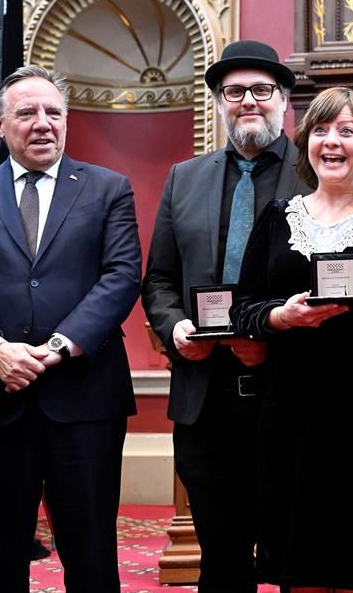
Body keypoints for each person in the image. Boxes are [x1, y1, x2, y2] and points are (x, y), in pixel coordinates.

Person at [0, 66, 142, 592]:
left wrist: (55, 348)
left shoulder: (107, 189)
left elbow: (121, 278)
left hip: (85, 398)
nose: (43, 123)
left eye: (54, 113)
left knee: (91, 554)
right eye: (27, 113)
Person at [230, 87, 353, 592]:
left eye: (347, 131)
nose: (331, 142)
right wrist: (281, 317)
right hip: (291, 408)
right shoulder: (277, 217)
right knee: (301, 561)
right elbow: (243, 308)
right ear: (305, 142)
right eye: (320, 130)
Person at [142, 40, 311, 592]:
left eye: (262, 91)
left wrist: (273, 338)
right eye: (234, 92)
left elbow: (339, 288)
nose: (248, 102)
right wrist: (174, 329)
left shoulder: (317, 175)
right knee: (221, 556)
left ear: (283, 101)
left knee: (295, 554)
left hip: (291, 393)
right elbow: (160, 280)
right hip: (205, 397)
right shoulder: (182, 178)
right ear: (218, 102)